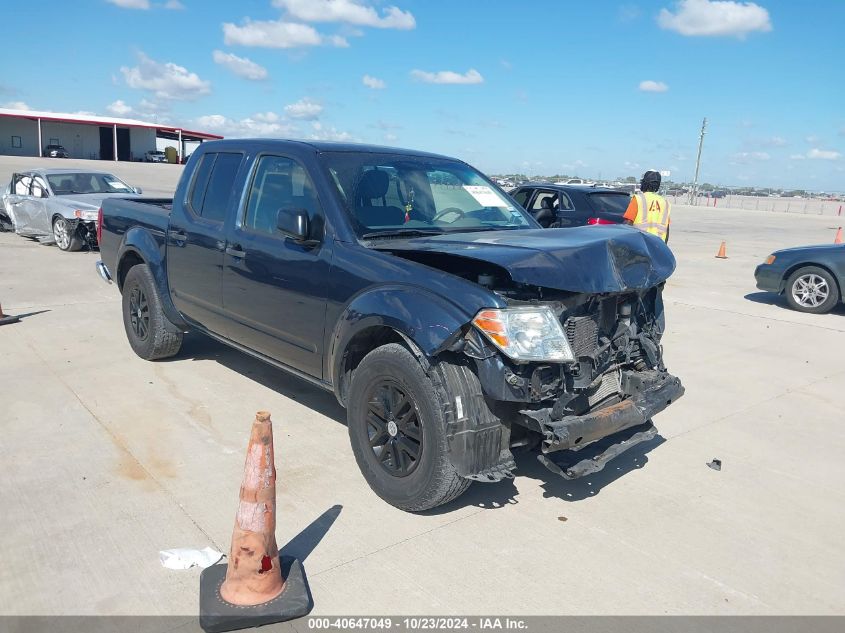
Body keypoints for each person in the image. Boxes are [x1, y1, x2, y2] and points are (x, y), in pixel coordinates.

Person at [623, 170, 670, 243]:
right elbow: (667, 229)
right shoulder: (665, 203)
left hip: (640, 245)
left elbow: (628, 224)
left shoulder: (638, 199)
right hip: (659, 245)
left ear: (644, 183)